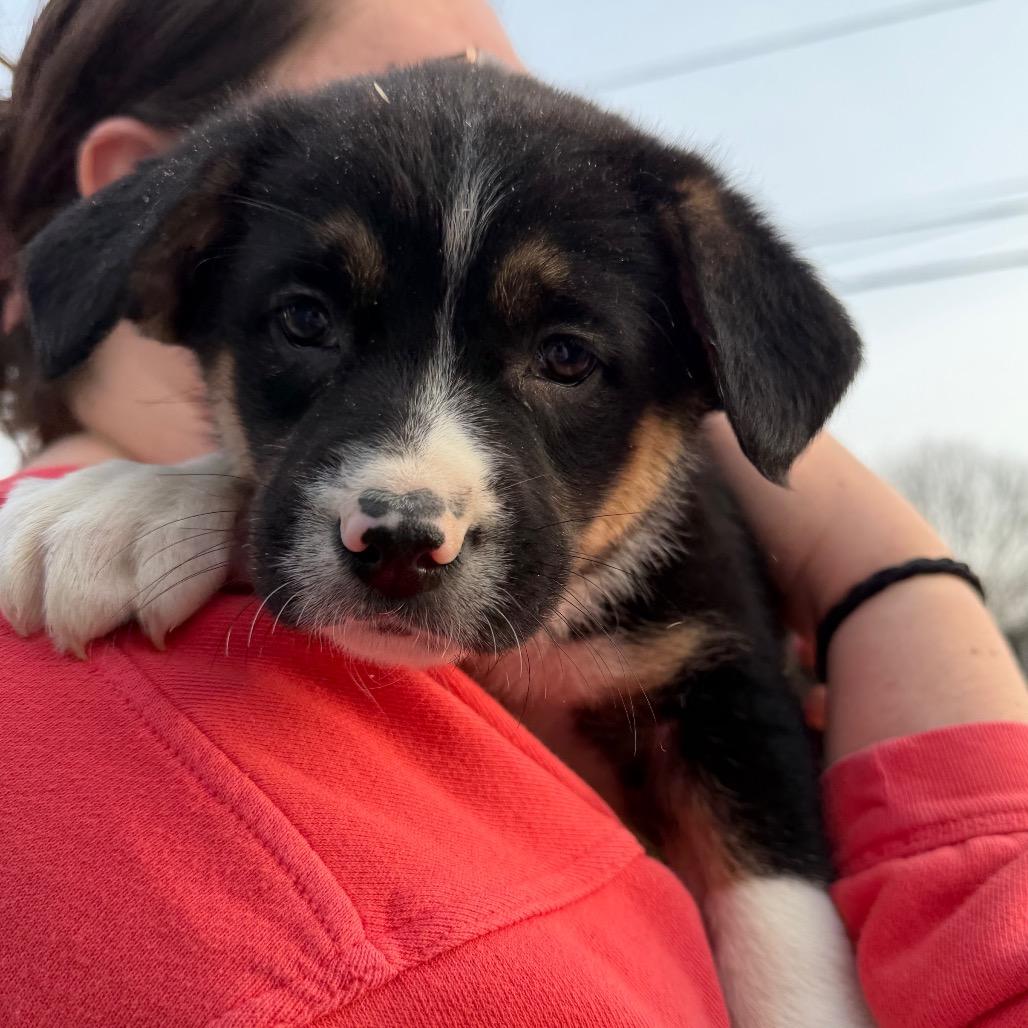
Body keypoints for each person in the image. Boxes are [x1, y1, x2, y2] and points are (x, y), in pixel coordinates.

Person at [2, 2, 1027, 1025]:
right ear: (173, 250)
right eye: (306, 321)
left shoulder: (684, 591)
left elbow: (732, 750)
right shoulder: (217, 821)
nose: (410, 498)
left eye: (566, 357)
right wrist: (890, 571)